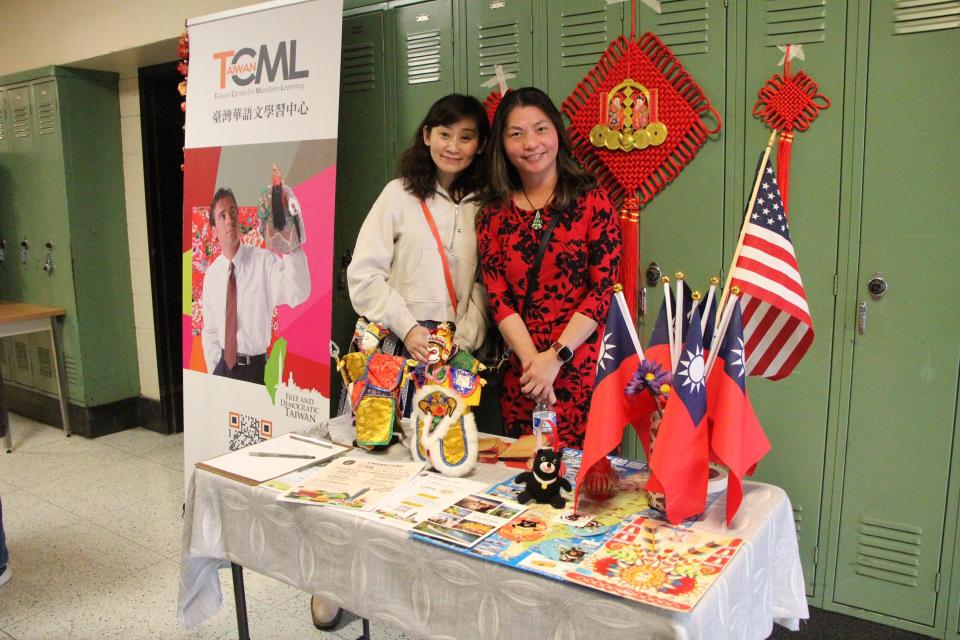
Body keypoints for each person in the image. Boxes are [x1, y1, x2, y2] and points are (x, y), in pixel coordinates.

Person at [477, 87, 621, 449]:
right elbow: (499, 298)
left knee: (590, 490)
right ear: (502, 145)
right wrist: (534, 365)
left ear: (557, 132)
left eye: (541, 129)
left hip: (584, 371)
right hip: (524, 379)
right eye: (516, 133)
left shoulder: (592, 201)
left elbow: (602, 290)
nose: (531, 143)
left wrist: (554, 358)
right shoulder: (492, 214)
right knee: (525, 485)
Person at [346, 93, 490, 374]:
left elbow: (486, 287)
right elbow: (363, 275)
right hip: (395, 344)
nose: (453, 147)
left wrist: (458, 346)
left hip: (452, 355)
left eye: (465, 137)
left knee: (443, 418)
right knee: (386, 418)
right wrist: (407, 328)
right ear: (427, 135)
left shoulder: (486, 207)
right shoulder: (398, 194)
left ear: (481, 144)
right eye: (444, 134)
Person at [201, 187, 311, 384]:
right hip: (222, 369)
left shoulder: (264, 262)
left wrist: (290, 245)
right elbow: (209, 331)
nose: (229, 220)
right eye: (222, 216)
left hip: (256, 371)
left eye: (233, 212)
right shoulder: (212, 276)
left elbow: (298, 292)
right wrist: (214, 374)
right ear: (214, 229)